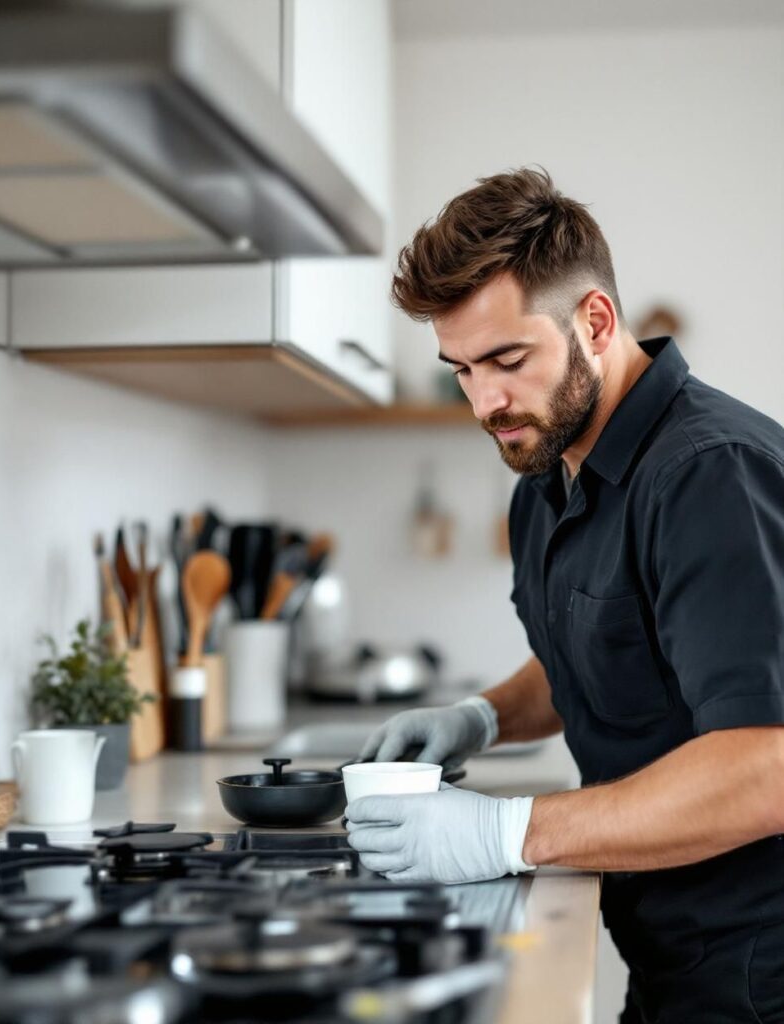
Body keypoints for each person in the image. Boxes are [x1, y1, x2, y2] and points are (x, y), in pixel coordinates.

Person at [344, 168, 784, 1022]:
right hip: (671, 953)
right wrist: (480, 717)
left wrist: (503, 834)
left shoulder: (709, 477)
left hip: (759, 972)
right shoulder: (545, 474)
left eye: (507, 360)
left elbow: (764, 767)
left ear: (594, 321)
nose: (485, 402)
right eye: (461, 370)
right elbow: (592, 654)